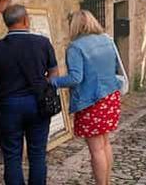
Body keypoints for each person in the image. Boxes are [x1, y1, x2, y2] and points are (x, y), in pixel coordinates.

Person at [0, 5, 59, 185]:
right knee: (38, 154)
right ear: (26, 20)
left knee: (12, 155)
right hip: (38, 103)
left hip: (9, 106)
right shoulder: (43, 43)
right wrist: (44, 87)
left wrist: (7, 96)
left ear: (6, 23)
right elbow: (54, 73)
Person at [51, 10, 122, 185]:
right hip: (111, 96)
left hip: (92, 101)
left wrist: (53, 81)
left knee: (96, 149)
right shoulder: (107, 40)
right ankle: (106, 182)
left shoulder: (76, 47)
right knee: (105, 144)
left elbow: (76, 78)